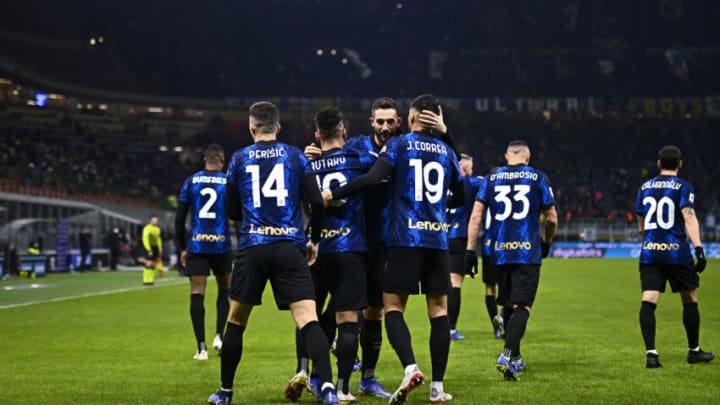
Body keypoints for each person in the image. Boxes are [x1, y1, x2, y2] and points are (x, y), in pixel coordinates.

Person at [325, 94, 465, 404]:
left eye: (393, 121)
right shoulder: (444, 150)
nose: (386, 126)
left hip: (401, 239)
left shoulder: (400, 145)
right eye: (381, 121)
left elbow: (374, 175)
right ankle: (437, 388)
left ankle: (403, 369)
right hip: (428, 240)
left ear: (408, 119)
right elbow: (462, 193)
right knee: (437, 311)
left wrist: (332, 193)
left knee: (387, 308)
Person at [207, 101, 338, 405]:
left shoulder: (238, 159)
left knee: (236, 321)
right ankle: (329, 389)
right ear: (278, 127)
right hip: (289, 247)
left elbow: (231, 210)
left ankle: (225, 393)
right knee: (309, 319)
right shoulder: (294, 156)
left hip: (253, 247)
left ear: (251, 127)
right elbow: (317, 203)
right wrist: (313, 240)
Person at [288, 106, 375, 403]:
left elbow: (302, 205)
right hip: (351, 247)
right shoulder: (359, 159)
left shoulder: (306, 164)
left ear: (316, 136)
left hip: (316, 249)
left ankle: (302, 370)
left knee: (307, 316)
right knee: (348, 319)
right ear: (344, 133)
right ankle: (343, 388)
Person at [465, 140, 558, 381]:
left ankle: (515, 357)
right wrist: (546, 242)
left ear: (507, 156)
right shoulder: (539, 178)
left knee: (507, 304)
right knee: (523, 306)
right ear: (528, 157)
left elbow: (476, 217)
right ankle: (506, 355)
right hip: (527, 251)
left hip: (500, 252)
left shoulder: (491, 179)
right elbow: (551, 219)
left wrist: (470, 252)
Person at [635, 145, 713, 368]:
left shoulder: (645, 187)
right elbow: (688, 216)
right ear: (680, 164)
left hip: (650, 253)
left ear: (658, 164)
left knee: (648, 300)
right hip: (677, 253)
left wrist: (649, 237)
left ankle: (651, 354)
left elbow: (641, 224)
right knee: (689, 298)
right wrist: (698, 248)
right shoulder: (683, 187)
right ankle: (694, 351)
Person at [175, 143, 232, 361]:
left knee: (197, 292)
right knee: (225, 288)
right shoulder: (227, 182)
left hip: (197, 244)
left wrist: (182, 247)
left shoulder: (191, 181)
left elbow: (179, 219)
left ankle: (201, 348)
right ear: (221, 159)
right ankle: (219, 335)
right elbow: (236, 213)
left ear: (205, 158)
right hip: (221, 244)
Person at [445, 154, 482, 341]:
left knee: (443, 284)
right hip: (459, 237)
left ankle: (441, 322)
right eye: (471, 167)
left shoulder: (443, 182)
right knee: (455, 283)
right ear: (466, 169)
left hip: (441, 236)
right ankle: (451, 328)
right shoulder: (471, 183)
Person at [141, 215, 162, 285]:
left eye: (156, 220)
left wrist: (160, 248)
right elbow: (145, 239)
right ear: (150, 220)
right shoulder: (147, 228)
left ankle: (151, 280)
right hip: (149, 247)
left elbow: (158, 239)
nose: (155, 221)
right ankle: (145, 280)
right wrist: (148, 249)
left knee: (153, 264)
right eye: (154, 220)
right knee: (149, 263)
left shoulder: (157, 229)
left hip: (155, 247)